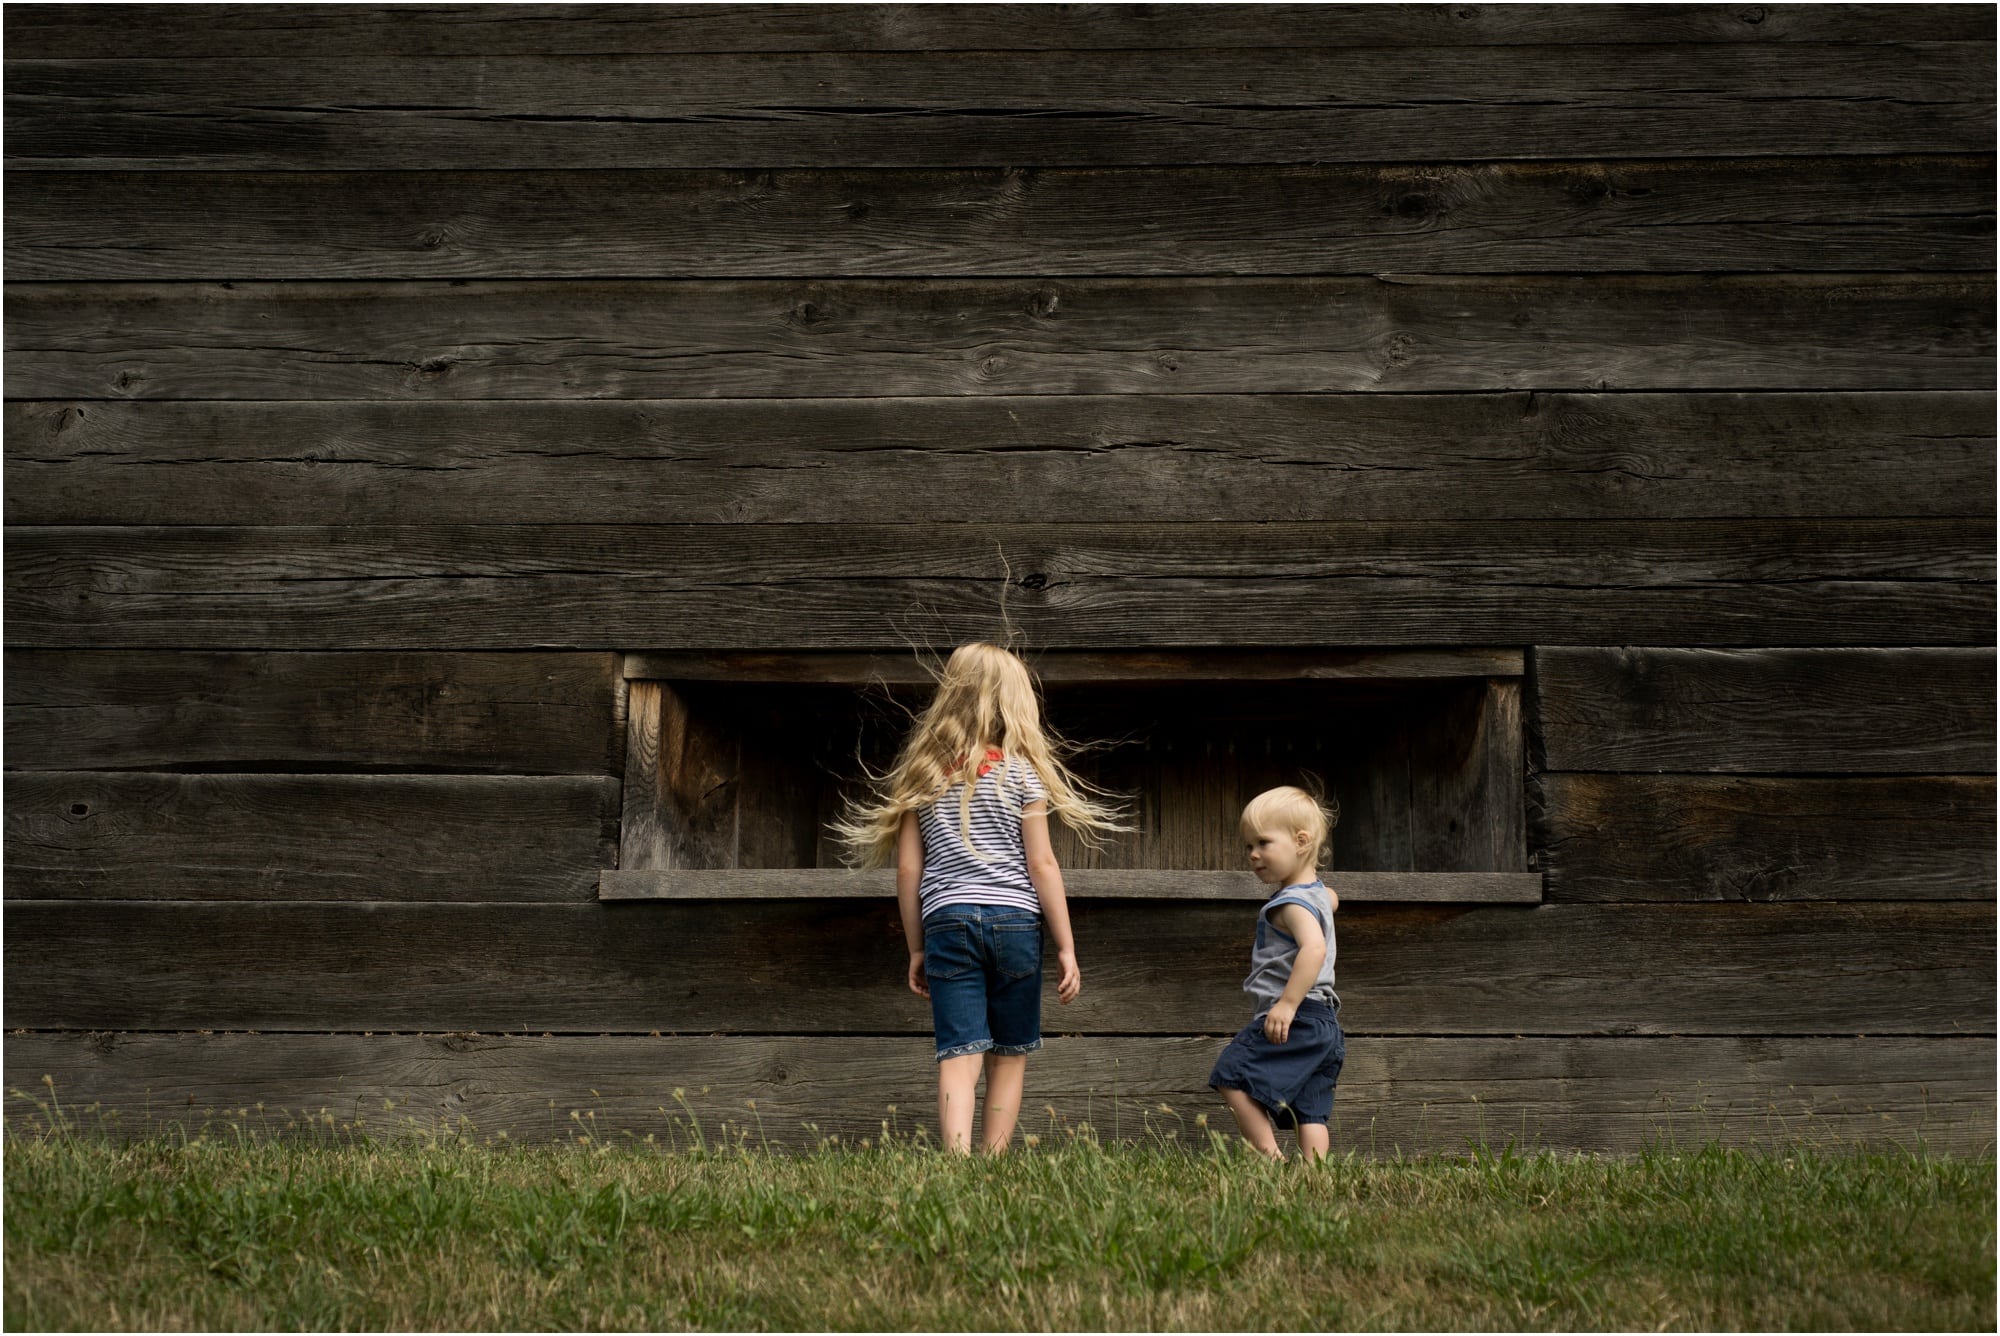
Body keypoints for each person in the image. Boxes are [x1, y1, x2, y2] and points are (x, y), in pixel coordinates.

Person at [833, 642, 1126, 1153]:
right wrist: (1065, 945)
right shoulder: (1022, 774)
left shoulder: (921, 775)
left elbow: (908, 869)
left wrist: (916, 948)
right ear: (1013, 703)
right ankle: (992, 1162)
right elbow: (1042, 865)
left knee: (958, 1053)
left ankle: (958, 1159)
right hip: (1016, 923)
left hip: (947, 921)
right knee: (1009, 1054)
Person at [1209, 784, 1344, 1160]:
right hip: (1325, 1023)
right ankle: (1314, 1173)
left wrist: (1286, 1003)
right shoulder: (1317, 895)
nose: (1253, 855)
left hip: (1297, 1015)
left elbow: (1313, 949)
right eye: (1248, 846)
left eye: (1263, 843)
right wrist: (1327, 899)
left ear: (1301, 841)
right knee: (1310, 1107)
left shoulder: (1290, 904)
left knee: (1230, 1076)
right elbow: (1331, 899)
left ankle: (1269, 1160)